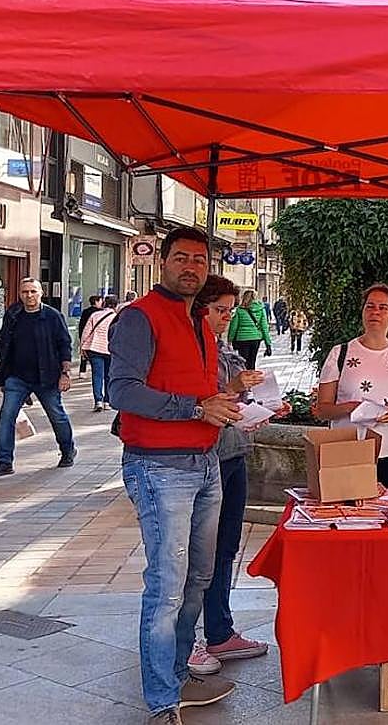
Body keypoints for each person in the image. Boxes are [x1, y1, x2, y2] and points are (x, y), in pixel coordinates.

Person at [108, 227, 239, 724]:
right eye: (181, 258)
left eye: (199, 261)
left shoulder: (200, 321)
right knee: (167, 584)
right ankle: (162, 697)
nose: (191, 267)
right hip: (160, 467)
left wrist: (226, 402)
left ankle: (179, 672)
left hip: (205, 464)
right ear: (162, 262)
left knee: (198, 578)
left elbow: (199, 389)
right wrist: (195, 408)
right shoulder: (140, 317)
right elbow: (122, 391)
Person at [188, 274, 290, 674]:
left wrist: (262, 407)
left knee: (227, 546)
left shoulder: (225, 344)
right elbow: (201, 399)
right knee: (197, 554)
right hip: (201, 461)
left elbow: (233, 400)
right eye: (220, 310)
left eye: (230, 310)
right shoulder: (191, 348)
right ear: (201, 309)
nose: (227, 317)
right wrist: (234, 391)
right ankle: (186, 639)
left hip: (233, 456)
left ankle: (219, 631)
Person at [313, 283, 388, 488]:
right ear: (362, 312)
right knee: (348, 516)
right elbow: (322, 409)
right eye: (370, 306)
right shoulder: (340, 354)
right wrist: (351, 408)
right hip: (349, 451)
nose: (376, 312)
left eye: (383, 308)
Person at [0, 278, 76, 479]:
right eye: (25, 292)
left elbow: (64, 345)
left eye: (33, 291)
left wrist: (65, 373)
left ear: (41, 293)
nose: (29, 295)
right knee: (6, 417)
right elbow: (3, 341)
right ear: (20, 293)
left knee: (56, 415)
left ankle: (68, 450)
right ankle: (4, 462)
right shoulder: (13, 314)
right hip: (16, 377)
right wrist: (3, 373)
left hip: (47, 377)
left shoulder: (52, 316)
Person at [80, 294, 119, 411]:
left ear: (104, 304)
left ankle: (98, 401)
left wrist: (82, 347)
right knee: (109, 376)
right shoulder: (117, 317)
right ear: (116, 305)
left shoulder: (95, 315)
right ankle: (107, 401)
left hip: (94, 348)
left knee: (97, 375)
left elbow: (86, 332)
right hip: (110, 350)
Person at [228, 289, 273, 368]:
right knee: (252, 361)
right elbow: (264, 327)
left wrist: (230, 340)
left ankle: (245, 377)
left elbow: (233, 327)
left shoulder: (239, 310)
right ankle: (252, 376)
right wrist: (268, 344)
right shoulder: (261, 309)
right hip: (256, 338)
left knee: (243, 362)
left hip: (242, 339)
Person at [77, 294, 102, 374]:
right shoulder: (100, 312)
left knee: (84, 355)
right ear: (96, 302)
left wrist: (81, 336)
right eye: (100, 301)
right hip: (96, 337)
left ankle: (82, 371)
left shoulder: (85, 311)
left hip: (86, 335)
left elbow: (81, 324)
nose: (101, 303)